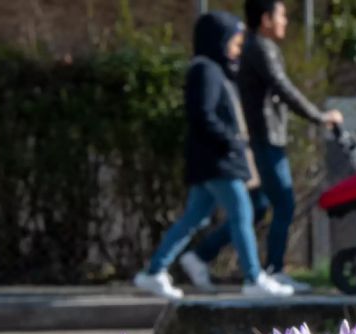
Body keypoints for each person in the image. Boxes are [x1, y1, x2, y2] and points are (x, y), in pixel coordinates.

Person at [177, 0, 343, 294]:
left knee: (254, 207)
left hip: (257, 139)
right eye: (280, 15)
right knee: (282, 202)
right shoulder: (260, 48)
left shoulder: (254, 48)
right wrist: (319, 117)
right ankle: (271, 271)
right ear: (265, 18)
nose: (285, 22)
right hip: (264, 139)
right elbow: (283, 88)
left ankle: (202, 255)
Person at [134, 11, 293, 299]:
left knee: (195, 217)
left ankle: (154, 271)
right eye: (234, 41)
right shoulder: (205, 70)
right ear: (218, 40)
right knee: (242, 212)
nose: (237, 48)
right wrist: (231, 140)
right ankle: (254, 278)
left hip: (214, 159)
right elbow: (203, 115)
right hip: (218, 161)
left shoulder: (214, 69)